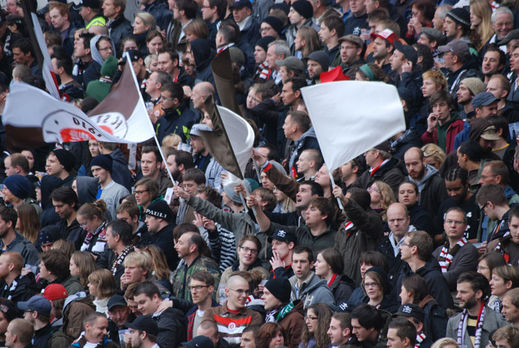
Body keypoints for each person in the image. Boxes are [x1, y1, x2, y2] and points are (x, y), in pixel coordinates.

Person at [446, 272, 508, 348]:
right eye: (458, 292)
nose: (458, 296)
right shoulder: (453, 322)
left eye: (463, 292)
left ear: (478, 294)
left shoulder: (499, 321)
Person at [396, 230, 454, 309]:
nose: (400, 247)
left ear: (414, 249)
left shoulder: (435, 278)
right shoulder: (404, 273)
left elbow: (445, 309)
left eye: (403, 244)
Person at [203, 274, 263, 346]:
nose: (244, 295)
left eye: (247, 291)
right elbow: (207, 342)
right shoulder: (211, 313)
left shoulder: (254, 316)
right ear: (227, 292)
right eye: (239, 291)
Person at [433, 207, 479, 291]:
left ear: (465, 226)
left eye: (457, 222)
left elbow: (455, 277)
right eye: (449, 221)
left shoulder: (470, 251)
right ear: (444, 225)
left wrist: (430, 278)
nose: (453, 225)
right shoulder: (438, 250)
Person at [171, 227, 220, 301]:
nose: (175, 247)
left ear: (192, 248)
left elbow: (214, 296)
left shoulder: (207, 266)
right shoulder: (179, 271)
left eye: (180, 243)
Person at [133, 281, 186, 348]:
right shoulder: (156, 317)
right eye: (137, 304)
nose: (139, 307)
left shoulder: (168, 318)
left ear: (155, 297)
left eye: (142, 302)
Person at [261, 277, 304, 348]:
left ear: (278, 296)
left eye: (267, 293)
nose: (262, 297)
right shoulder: (269, 316)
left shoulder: (295, 318)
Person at [90, 154, 129, 219]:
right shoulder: (94, 190)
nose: (95, 174)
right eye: (93, 171)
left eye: (98, 169)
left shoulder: (120, 191)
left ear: (107, 169)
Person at [144, 200, 177, 270]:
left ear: (160, 218)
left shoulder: (170, 236)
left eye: (149, 217)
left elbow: (155, 258)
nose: (145, 220)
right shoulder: (154, 233)